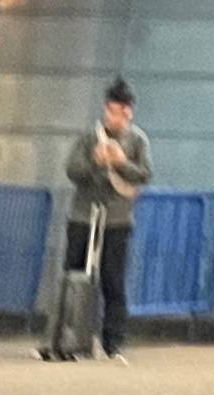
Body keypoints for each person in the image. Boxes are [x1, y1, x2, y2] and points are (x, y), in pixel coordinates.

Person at [63, 80, 151, 362]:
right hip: (83, 215)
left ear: (129, 113)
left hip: (117, 220)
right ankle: (67, 337)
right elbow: (72, 170)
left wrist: (122, 162)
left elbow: (145, 175)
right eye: (111, 111)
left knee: (113, 281)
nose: (115, 118)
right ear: (105, 109)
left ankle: (113, 342)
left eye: (121, 112)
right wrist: (95, 163)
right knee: (74, 275)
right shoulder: (89, 137)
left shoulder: (138, 141)